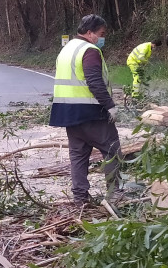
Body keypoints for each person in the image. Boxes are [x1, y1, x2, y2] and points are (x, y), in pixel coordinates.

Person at [49, 14, 122, 206]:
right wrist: (111, 106)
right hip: (90, 112)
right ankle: (115, 195)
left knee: (78, 156)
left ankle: (80, 198)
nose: (103, 38)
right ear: (90, 33)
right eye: (101, 34)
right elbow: (94, 82)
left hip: (68, 113)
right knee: (112, 150)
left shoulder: (66, 50)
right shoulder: (89, 50)